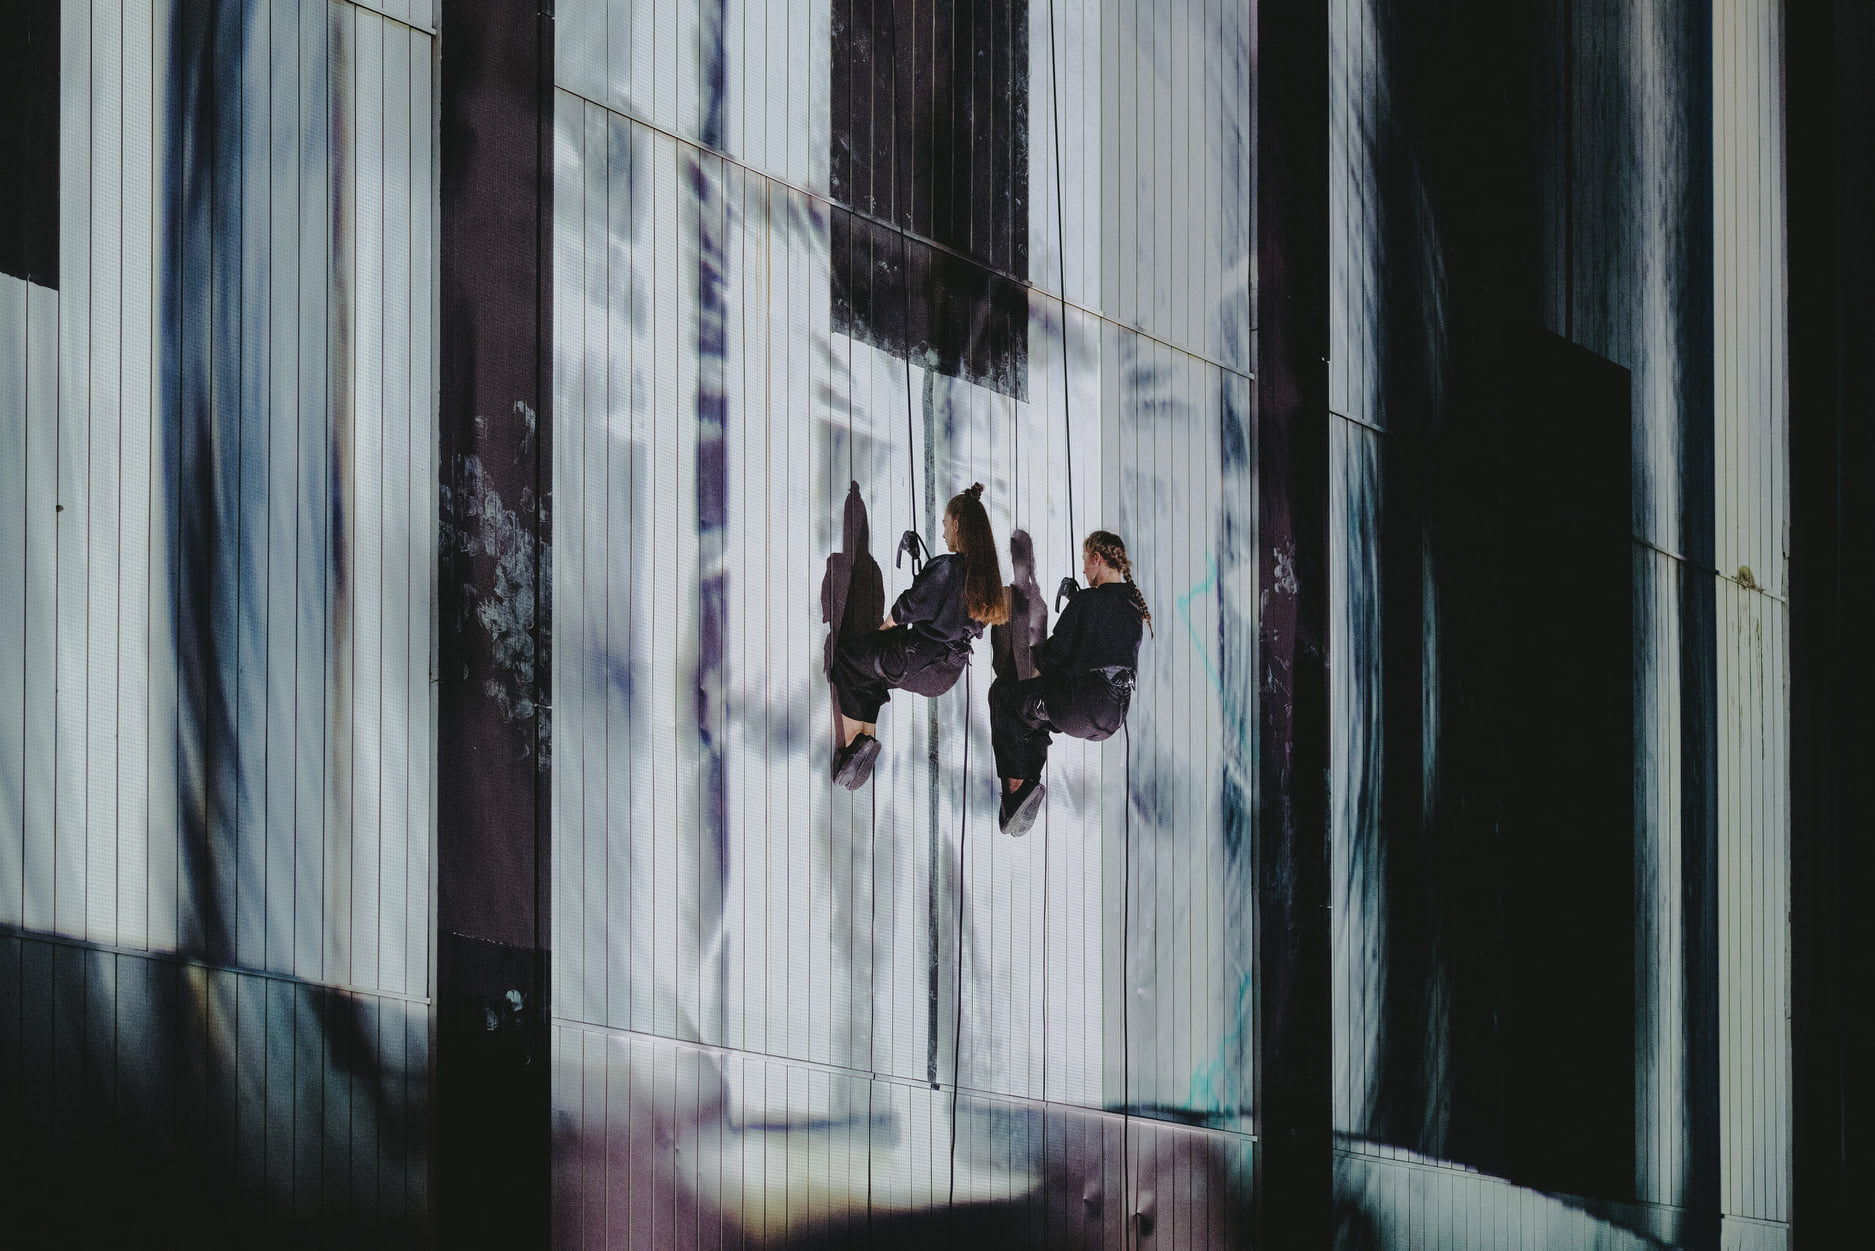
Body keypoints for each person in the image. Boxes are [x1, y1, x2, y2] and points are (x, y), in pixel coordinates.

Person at [830, 483, 1010, 790]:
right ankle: (866, 740)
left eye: (945, 525)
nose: (943, 533)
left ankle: (852, 747)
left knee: (850, 659)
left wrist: (881, 632)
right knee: (874, 674)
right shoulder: (985, 578)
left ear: (957, 525)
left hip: (918, 658)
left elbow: (907, 608)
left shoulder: (949, 567)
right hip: (945, 674)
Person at [988, 529, 1150, 835]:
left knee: (1004, 695)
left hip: (1083, 706)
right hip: (1112, 717)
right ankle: (1026, 787)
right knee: (1037, 710)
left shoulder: (1088, 599)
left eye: (1086, 562)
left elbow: (1054, 655)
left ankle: (1017, 788)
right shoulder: (1133, 605)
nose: (1084, 571)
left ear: (1097, 558)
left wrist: (1029, 672)